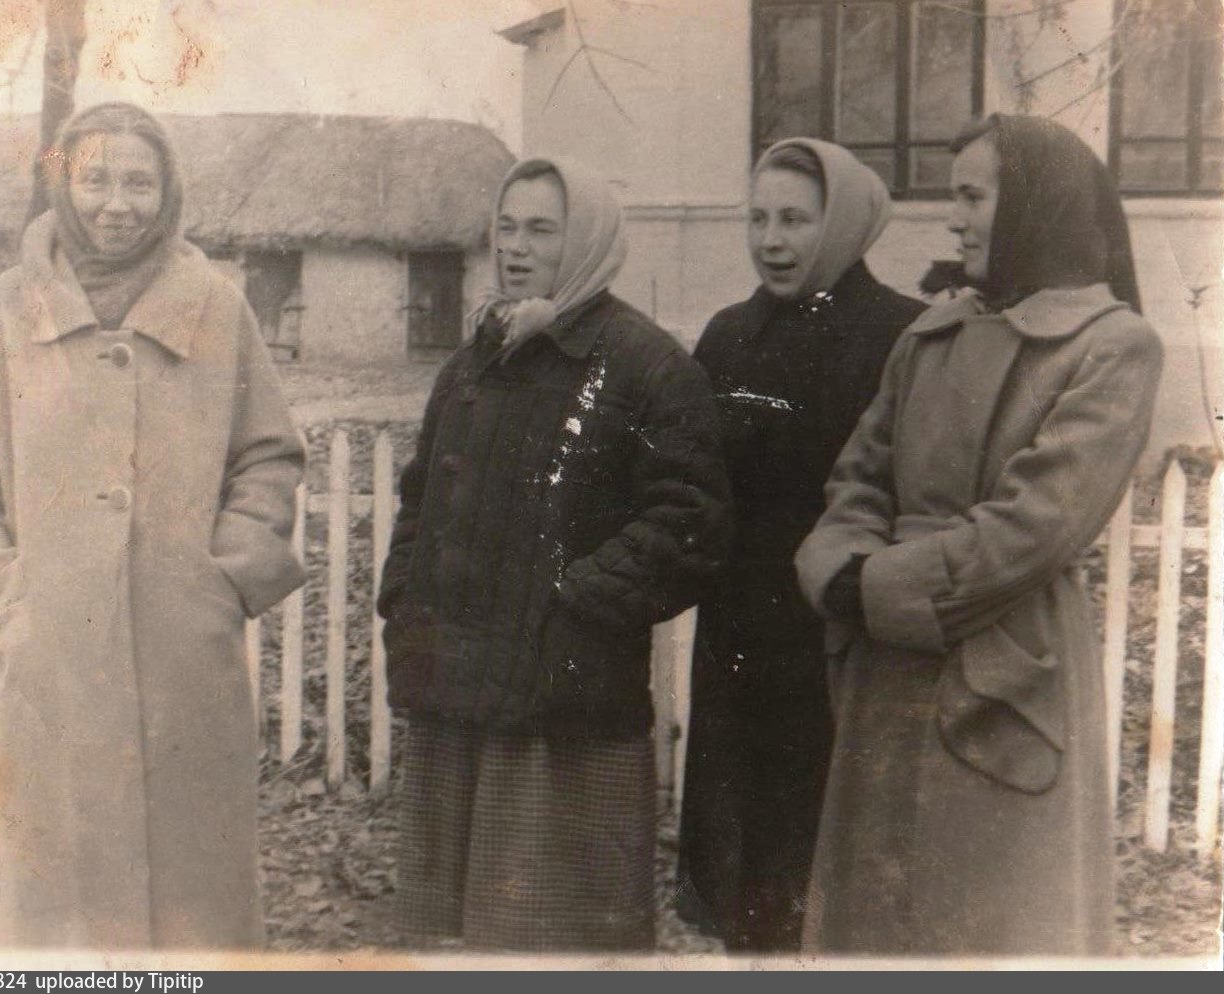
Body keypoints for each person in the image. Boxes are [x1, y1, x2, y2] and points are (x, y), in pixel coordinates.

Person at [0, 102, 305, 949]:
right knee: (61, 899)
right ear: (63, 183)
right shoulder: (2, 310)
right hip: (51, 655)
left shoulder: (217, 308)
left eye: (140, 182)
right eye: (95, 179)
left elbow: (269, 455)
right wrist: (2, 592)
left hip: (186, 657)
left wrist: (225, 581)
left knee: (193, 899)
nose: (117, 204)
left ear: (168, 193)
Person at [794, 114, 1163, 955]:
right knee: (879, 923)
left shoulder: (1113, 347)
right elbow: (858, 478)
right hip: (888, 666)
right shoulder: (930, 335)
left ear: (1033, 204)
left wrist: (878, 586)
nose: (953, 219)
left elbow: (1036, 526)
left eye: (971, 196)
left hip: (1006, 667)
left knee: (993, 930)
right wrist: (840, 569)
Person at [377, 156, 731, 952]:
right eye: (506, 227)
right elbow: (419, 496)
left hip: (565, 712)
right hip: (454, 700)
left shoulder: (647, 366)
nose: (515, 247)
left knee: (556, 943)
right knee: (454, 947)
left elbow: (691, 522)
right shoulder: (474, 361)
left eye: (541, 229)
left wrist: (574, 606)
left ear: (588, 240)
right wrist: (405, 599)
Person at [675, 139, 925, 951]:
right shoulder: (728, 336)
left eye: (794, 219)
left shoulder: (903, 336)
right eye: (757, 219)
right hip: (740, 638)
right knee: (749, 877)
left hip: (845, 636)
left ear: (841, 221)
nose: (771, 240)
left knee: (835, 873)